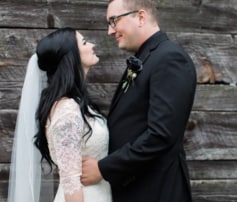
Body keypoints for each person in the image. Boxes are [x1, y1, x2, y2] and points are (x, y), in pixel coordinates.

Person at [81, 0, 197, 201]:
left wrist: (103, 168)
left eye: (114, 21)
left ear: (141, 17)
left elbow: (161, 135)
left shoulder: (169, 59)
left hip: (156, 191)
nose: (110, 31)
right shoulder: (146, 58)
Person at [8, 27, 112, 202]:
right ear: (71, 56)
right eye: (85, 42)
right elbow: (71, 182)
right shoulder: (67, 111)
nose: (93, 45)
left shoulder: (77, 103)